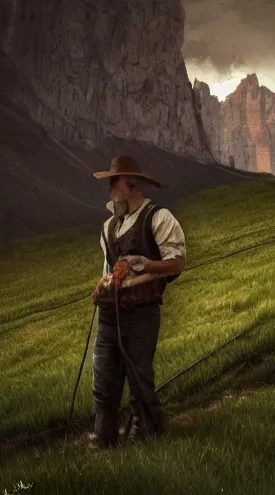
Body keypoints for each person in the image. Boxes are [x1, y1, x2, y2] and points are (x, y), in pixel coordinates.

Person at [88, 155, 186, 449]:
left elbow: (178, 263)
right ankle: (103, 436)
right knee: (104, 375)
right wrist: (102, 286)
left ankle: (146, 432)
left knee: (139, 374)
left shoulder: (158, 217)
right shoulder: (108, 228)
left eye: (113, 181)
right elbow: (108, 269)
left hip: (142, 312)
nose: (109, 188)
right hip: (110, 314)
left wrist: (146, 264)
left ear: (129, 183)